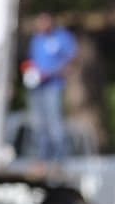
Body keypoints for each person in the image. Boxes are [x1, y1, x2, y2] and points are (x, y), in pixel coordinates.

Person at [21, 12, 78, 163]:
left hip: (53, 86)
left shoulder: (63, 37)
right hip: (36, 87)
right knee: (38, 124)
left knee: (55, 123)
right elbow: (33, 61)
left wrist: (51, 73)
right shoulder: (37, 39)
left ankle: (60, 159)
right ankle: (41, 158)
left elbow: (71, 62)